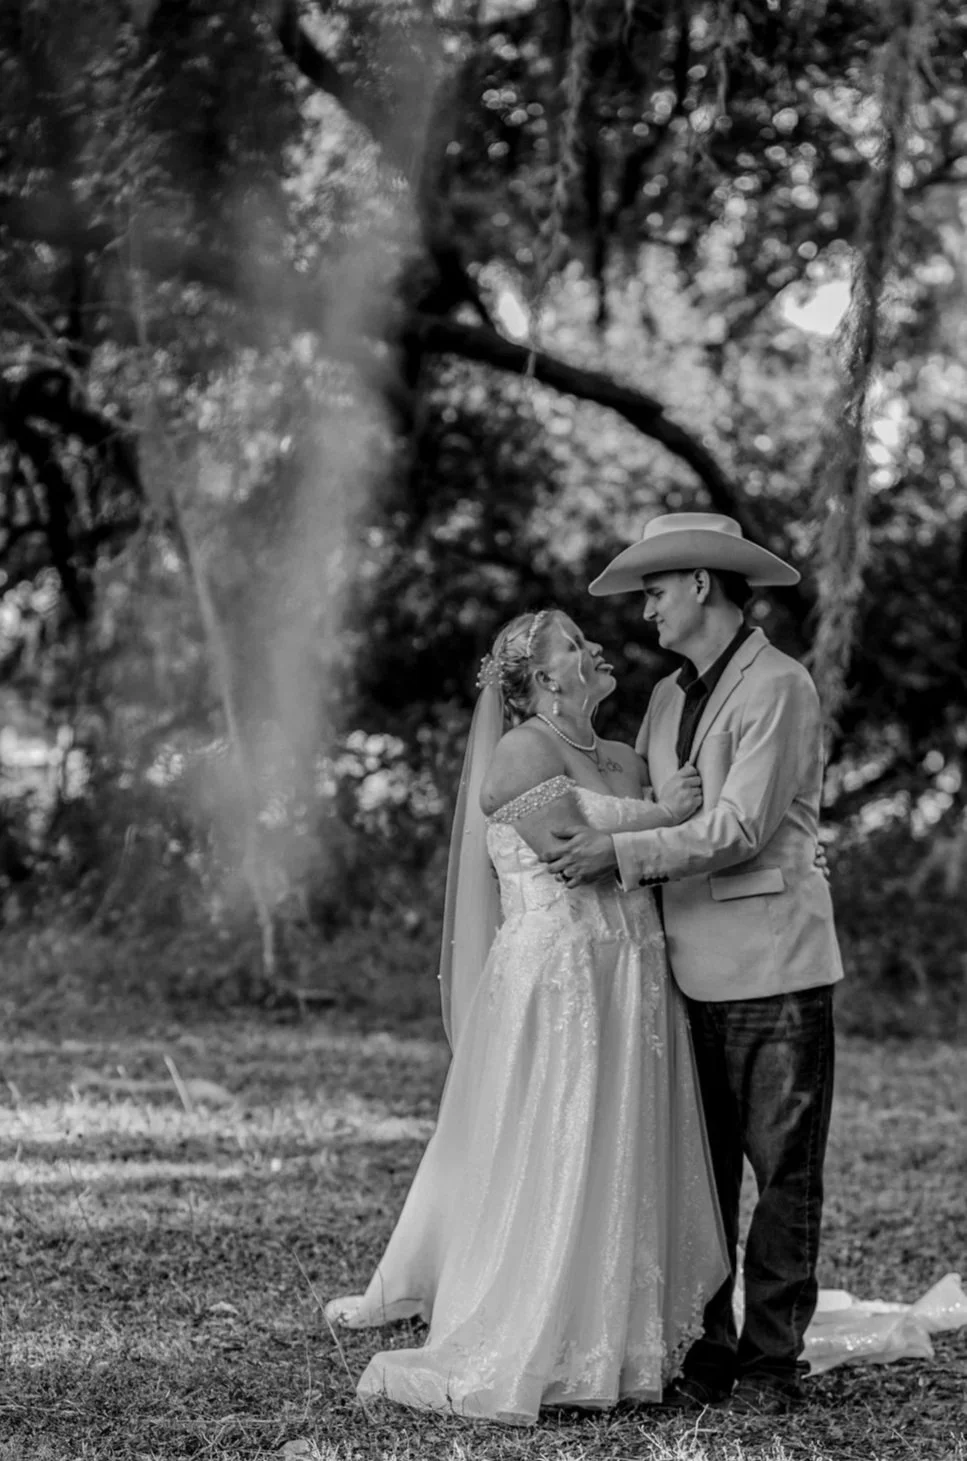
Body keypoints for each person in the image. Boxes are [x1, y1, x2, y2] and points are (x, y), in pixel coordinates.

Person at [324, 607, 729, 1425]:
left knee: (624, 1141)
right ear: (546, 678)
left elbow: (677, 847)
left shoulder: (617, 753)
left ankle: (625, 1328)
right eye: (575, 646)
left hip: (635, 973)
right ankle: (546, 1322)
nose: (595, 649)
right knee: (563, 1136)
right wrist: (670, 810)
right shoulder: (519, 752)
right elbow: (571, 854)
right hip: (564, 977)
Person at [545, 512, 843, 1417]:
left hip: (773, 968)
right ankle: (705, 1350)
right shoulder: (670, 696)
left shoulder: (779, 686)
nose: (647, 611)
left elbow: (740, 827)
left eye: (656, 590)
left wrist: (620, 857)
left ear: (702, 584)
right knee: (700, 1175)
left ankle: (768, 1364)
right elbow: (654, 802)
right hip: (679, 966)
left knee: (781, 1174)